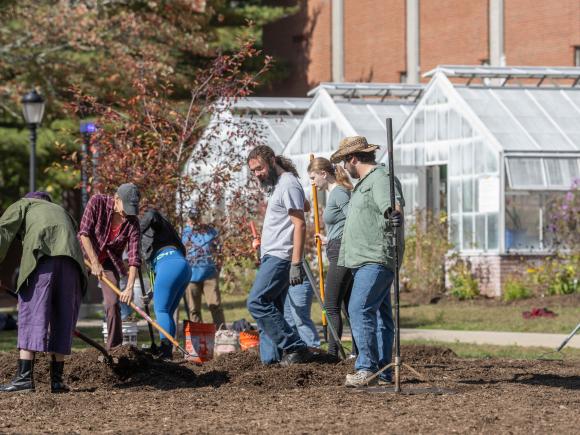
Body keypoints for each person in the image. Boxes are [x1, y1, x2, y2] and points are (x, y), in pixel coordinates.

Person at [329, 136, 404, 387]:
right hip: (365, 259)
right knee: (380, 316)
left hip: (375, 258)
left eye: (343, 162)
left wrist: (394, 214)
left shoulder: (380, 179)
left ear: (353, 159)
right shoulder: (364, 183)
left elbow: (392, 206)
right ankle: (382, 373)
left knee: (359, 308)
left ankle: (366, 368)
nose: (343, 168)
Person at [0, 192, 87, 393]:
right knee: (63, 316)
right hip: (73, 264)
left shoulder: (25, 204)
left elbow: (3, 230)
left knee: (32, 312)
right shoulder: (62, 210)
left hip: (43, 260)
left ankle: (24, 379)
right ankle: (57, 381)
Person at [246, 145, 313, 365]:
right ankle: (270, 363)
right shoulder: (278, 186)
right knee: (271, 309)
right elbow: (304, 206)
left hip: (281, 256)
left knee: (257, 302)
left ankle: (296, 347)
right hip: (270, 255)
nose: (257, 174)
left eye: (259, 168)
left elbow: (300, 224)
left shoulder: (288, 184)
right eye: (253, 171)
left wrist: (295, 262)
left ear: (272, 160)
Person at [78, 183, 141, 350]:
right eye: (126, 207)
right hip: (83, 255)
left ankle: (114, 349)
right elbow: (84, 233)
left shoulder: (133, 223)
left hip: (108, 262)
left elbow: (134, 258)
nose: (128, 212)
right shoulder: (97, 202)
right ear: (117, 199)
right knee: (70, 296)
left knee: (113, 303)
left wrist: (129, 287)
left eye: (132, 208)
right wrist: (94, 262)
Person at [308, 156, 354, 360]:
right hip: (336, 246)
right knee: (346, 305)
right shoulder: (334, 194)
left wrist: (341, 242)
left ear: (323, 174)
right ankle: (358, 351)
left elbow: (353, 219)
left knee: (331, 305)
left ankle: (333, 353)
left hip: (342, 252)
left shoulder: (339, 193)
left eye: (313, 177)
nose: (312, 182)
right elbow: (342, 223)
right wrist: (329, 238)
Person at [140, 208, 191, 359]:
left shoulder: (153, 223)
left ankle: (165, 351)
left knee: (161, 311)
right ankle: (167, 352)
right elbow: (154, 271)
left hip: (168, 264)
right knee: (167, 312)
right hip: (183, 267)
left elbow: (152, 214)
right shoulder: (166, 233)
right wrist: (151, 292)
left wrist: (137, 229)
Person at [182, 208, 225, 327]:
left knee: (215, 305)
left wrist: (218, 266)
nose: (194, 222)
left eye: (197, 219)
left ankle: (221, 334)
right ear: (188, 220)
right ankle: (198, 337)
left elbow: (220, 249)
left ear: (200, 218)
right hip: (191, 277)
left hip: (209, 274)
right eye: (192, 220)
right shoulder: (184, 234)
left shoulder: (210, 232)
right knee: (193, 309)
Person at [283, 278, 320, 349]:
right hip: (283, 283)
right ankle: (297, 351)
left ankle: (313, 350)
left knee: (301, 320)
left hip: (298, 280)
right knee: (288, 321)